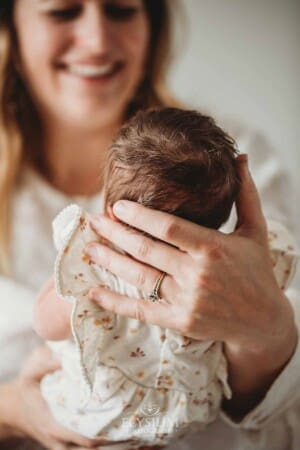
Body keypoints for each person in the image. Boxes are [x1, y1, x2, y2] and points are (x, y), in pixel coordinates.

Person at [0, 1, 299, 450]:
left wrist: (266, 330)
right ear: (11, 28)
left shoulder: (234, 164)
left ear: (152, 26)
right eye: (62, 12)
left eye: (121, 10)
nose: (97, 40)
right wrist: (12, 410)